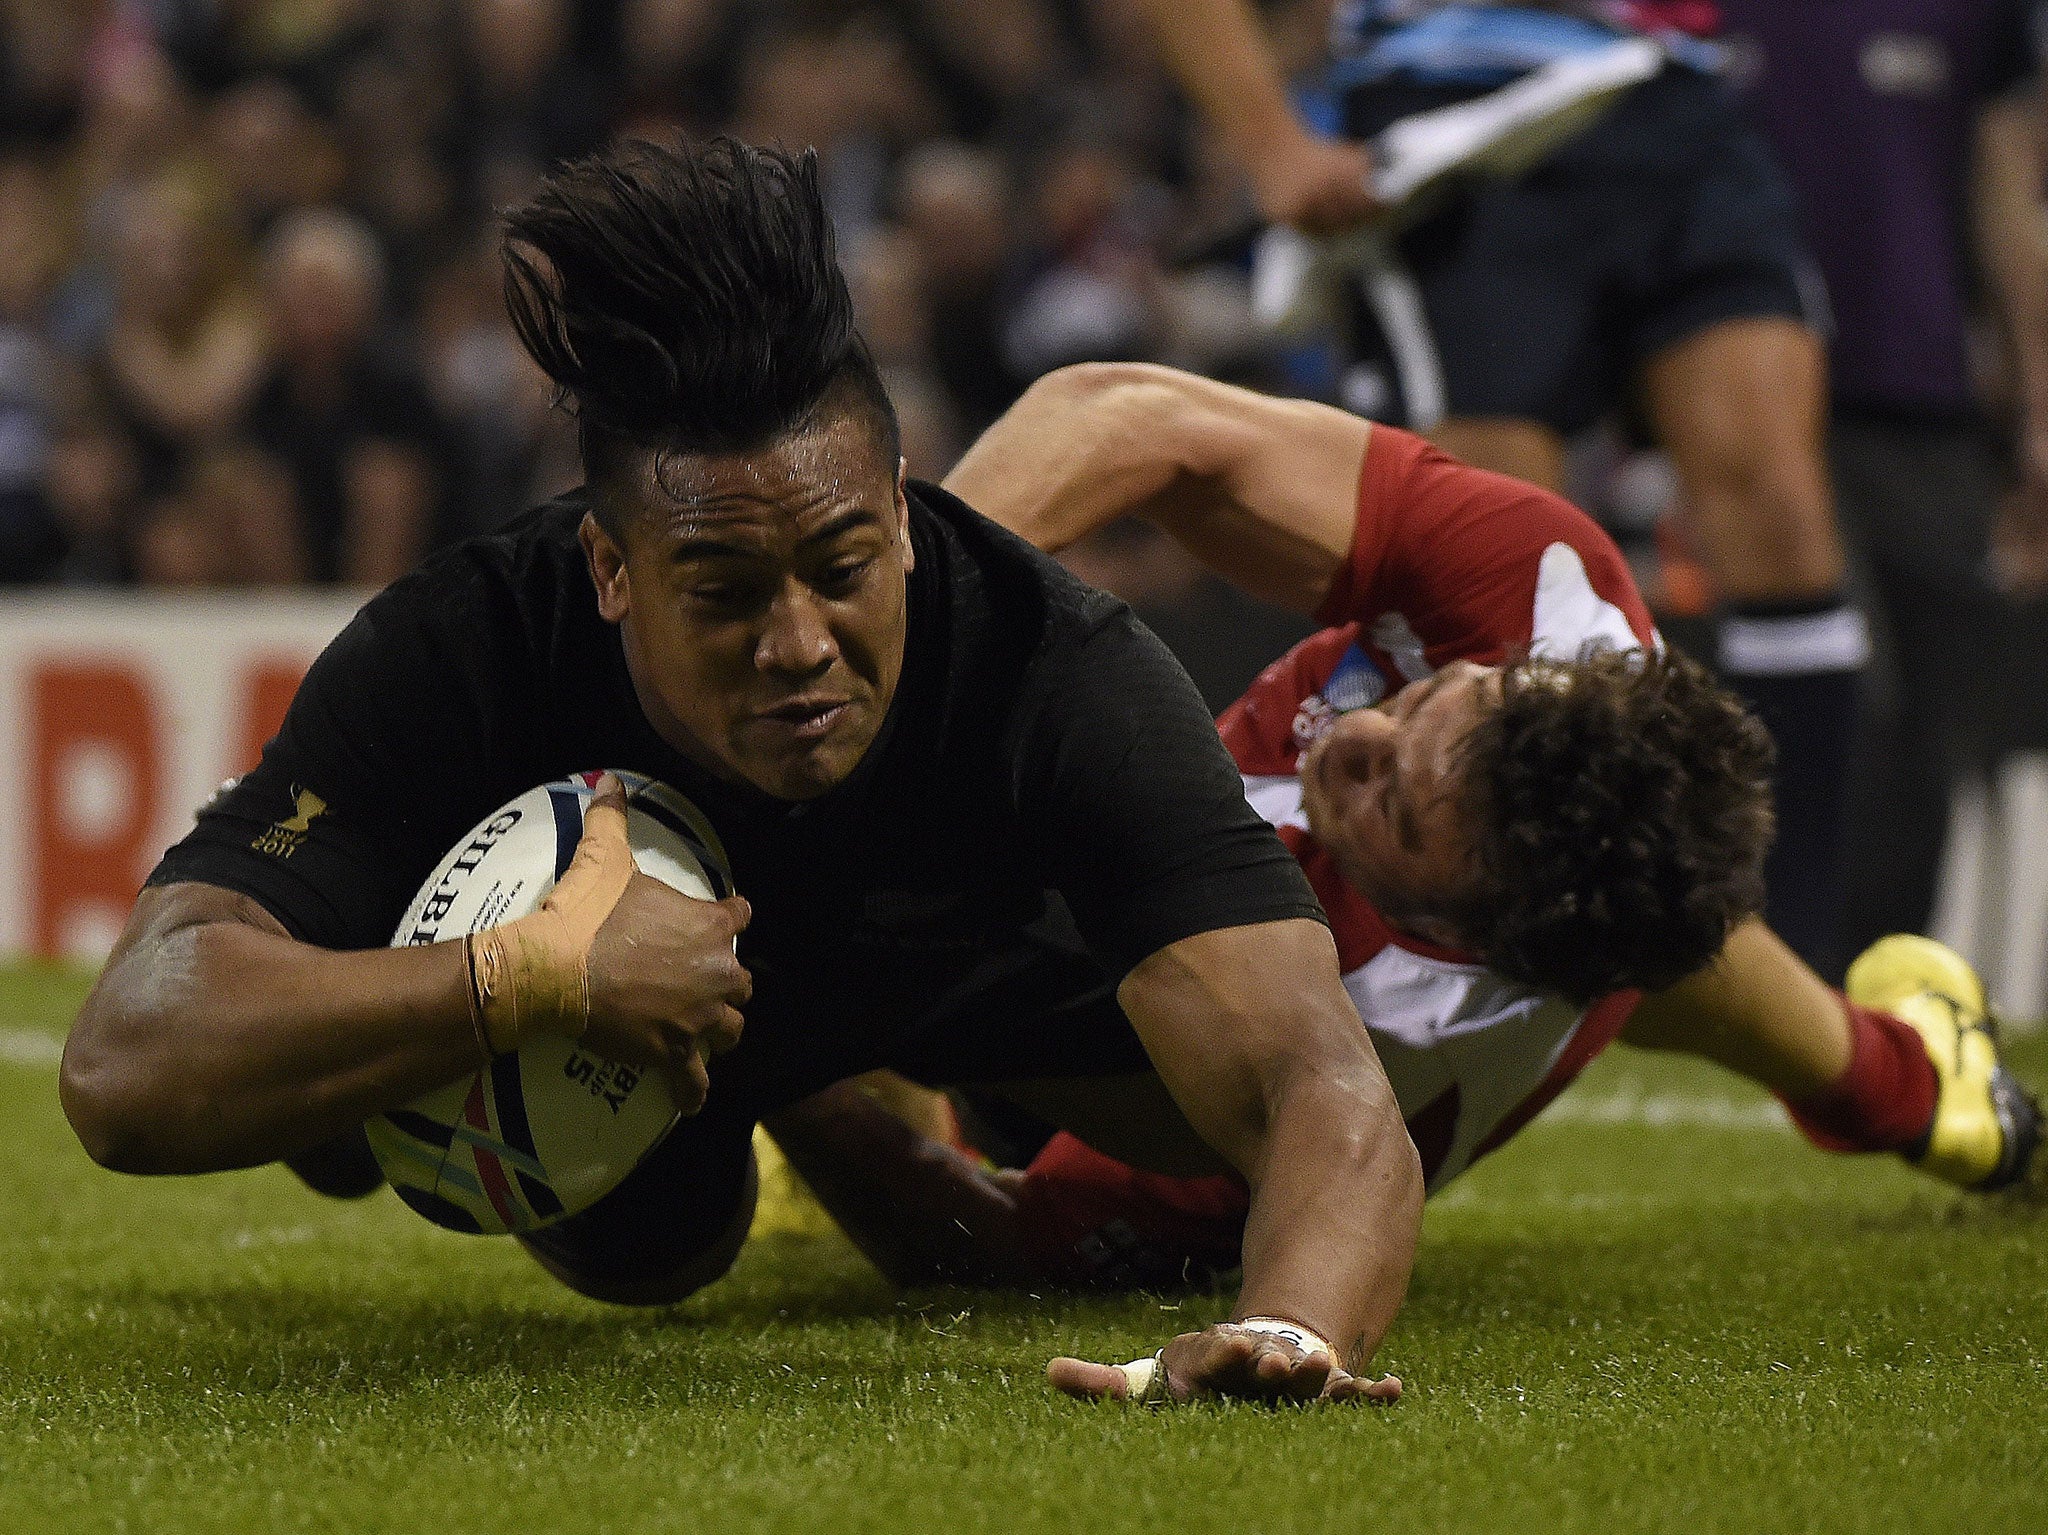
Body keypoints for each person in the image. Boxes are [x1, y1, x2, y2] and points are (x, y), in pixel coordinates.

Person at [57, 138, 1423, 1407]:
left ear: (899, 508)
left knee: (1189, 1127)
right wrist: (531, 974)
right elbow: (125, 1065)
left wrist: (1294, 1331)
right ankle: (754, 1080)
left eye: (843, 569)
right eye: (719, 590)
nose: (797, 646)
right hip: (618, 1053)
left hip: (967, 989)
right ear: (609, 568)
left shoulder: (1056, 669)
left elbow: (1326, 1084)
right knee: (653, 1256)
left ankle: (832, 1073)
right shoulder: (465, 648)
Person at [754, 365, 2039, 1382]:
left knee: (929, 981)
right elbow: (1128, 418)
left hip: (1205, 991)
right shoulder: (1538, 593)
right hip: (1566, 902)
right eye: (1430, 700)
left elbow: (980, 1237)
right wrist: (902, 645)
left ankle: (1908, 1087)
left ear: (1451, 929)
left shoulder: (1382, 1044)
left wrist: (791, 1070)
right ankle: (1917, 1086)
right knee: (1683, 937)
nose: (1355, 734)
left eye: (1390, 805)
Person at [1128, 0, 1869, 979]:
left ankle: (1790, 959)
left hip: (1671, 91)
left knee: (1780, 528)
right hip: (1457, 114)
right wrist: (1268, 141)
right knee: (1480, 567)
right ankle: (1409, 945)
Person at [1718, 0, 2048, 961]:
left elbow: (2004, 188)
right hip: (1750, 395)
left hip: (1925, 397)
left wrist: (2035, 405)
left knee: (1932, 728)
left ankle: (1878, 984)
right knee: (1847, 693)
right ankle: (1787, 965)